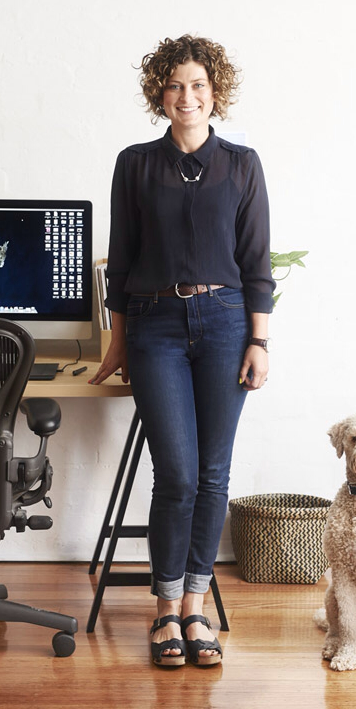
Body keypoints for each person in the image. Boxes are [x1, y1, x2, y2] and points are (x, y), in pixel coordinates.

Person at [90, 34, 275, 667]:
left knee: (214, 473)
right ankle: (165, 607)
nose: (186, 96)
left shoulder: (243, 164)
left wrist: (259, 341)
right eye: (174, 85)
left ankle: (195, 608)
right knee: (178, 474)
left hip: (225, 324)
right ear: (159, 95)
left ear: (214, 92)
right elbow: (122, 263)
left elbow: (256, 263)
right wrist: (117, 341)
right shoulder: (135, 163)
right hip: (154, 325)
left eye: (197, 84)